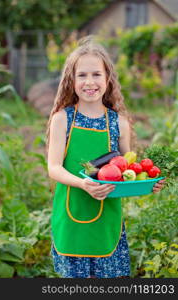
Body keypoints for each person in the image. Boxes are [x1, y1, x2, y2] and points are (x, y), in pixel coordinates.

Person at [46, 36, 165, 278]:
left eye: (96, 74)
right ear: (71, 80)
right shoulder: (62, 119)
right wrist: (83, 183)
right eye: (82, 75)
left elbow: (125, 172)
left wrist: (148, 184)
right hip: (71, 217)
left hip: (107, 218)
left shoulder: (118, 123)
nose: (90, 82)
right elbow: (54, 168)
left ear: (108, 78)